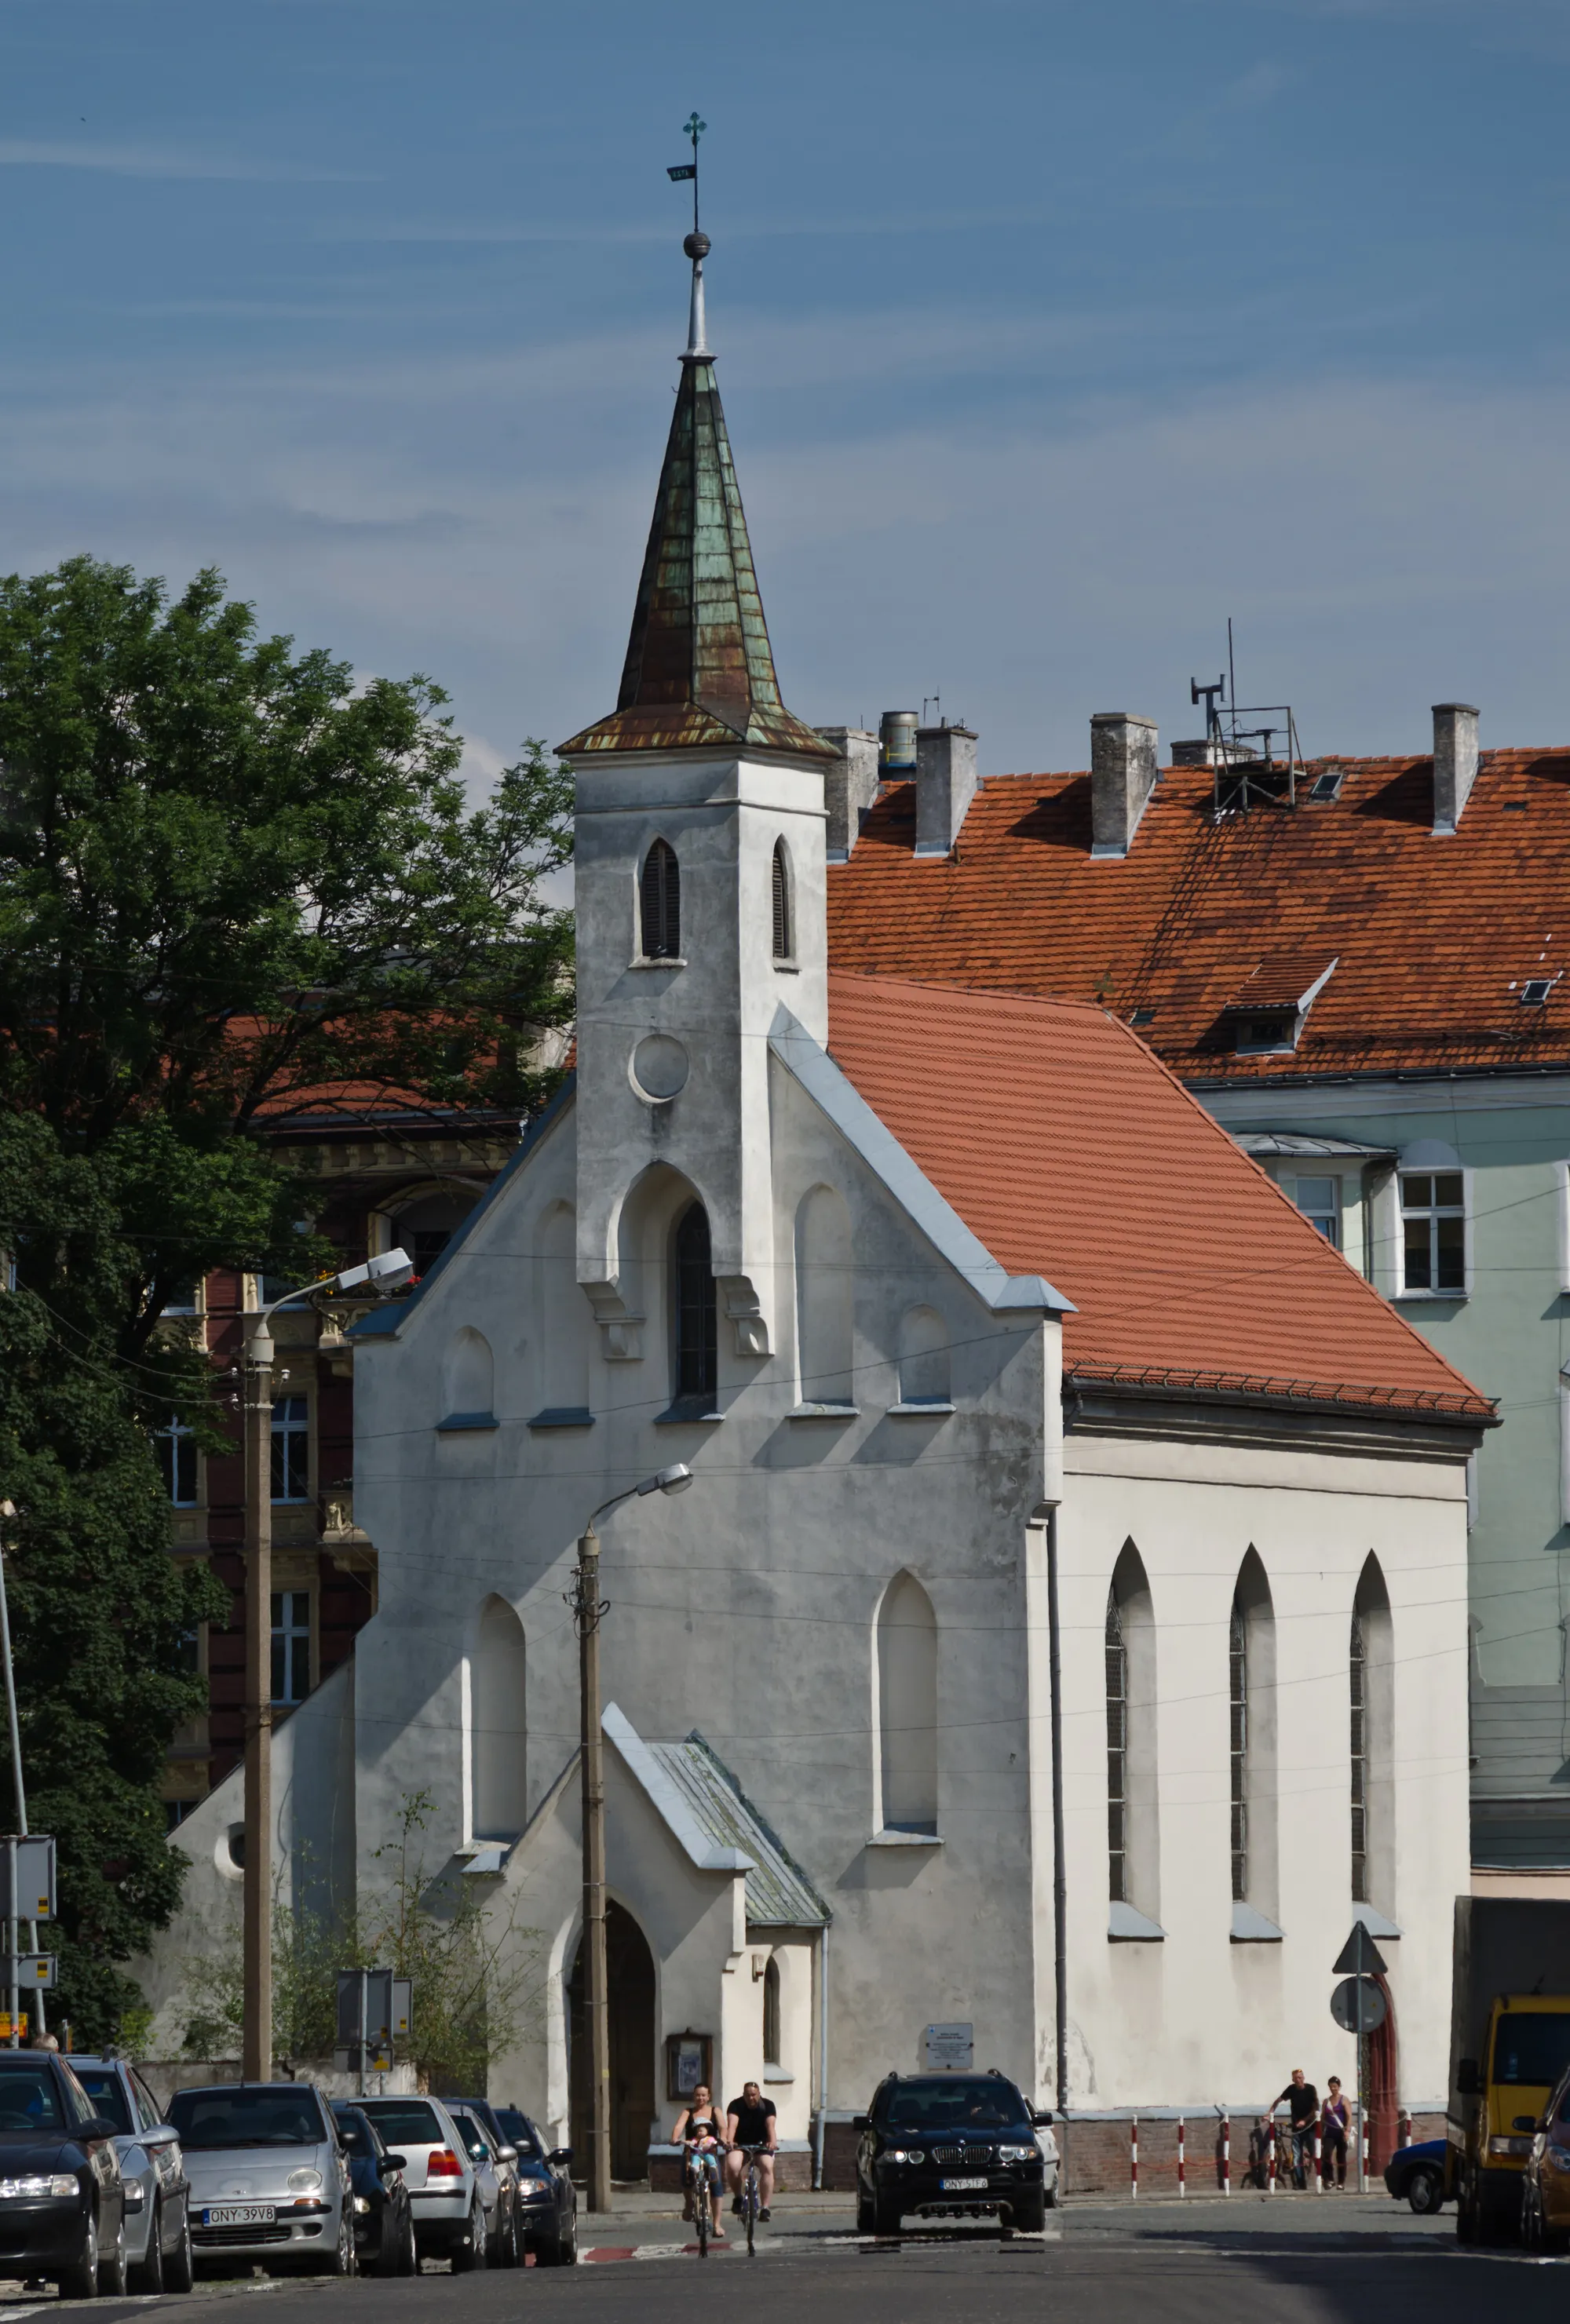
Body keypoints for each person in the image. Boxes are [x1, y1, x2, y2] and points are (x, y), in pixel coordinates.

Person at [671, 2083, 726, 2238]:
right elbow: (679, 2126)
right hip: (692, 2151)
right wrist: (675, 2138)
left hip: (710, 2152)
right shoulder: (688, 2112)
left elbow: (723, 2127)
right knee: (686, 2175)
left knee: (717, 2184)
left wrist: (723, 2138)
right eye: (697, 2095)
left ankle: (716, 2225)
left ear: (709, 2097)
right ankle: (689, 2203)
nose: (700, 2098)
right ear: (693, 2096)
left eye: (704, 2095)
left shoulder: (715, 2111)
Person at [725, 2081, 778, 2223]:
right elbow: (732, 2126)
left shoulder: (768, 2105)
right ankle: (738, 2197)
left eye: (754, 2095)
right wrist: (730, 2141)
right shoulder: (736, 2105)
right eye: (748, 2095)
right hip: (741, 2144)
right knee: (732, 2165)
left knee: (767, 2166)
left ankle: (765, 2208)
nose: (751, 2098)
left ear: (759, 2094)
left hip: (762, 2145)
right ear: (743, 2095)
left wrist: (772, 2142)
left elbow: (770, 2126)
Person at [1269, 2068, 1320, 2190]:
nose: (1299, 2080)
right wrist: (1270, 2112)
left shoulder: (1310, 2089)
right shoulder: (1291, 2089)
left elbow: (1316, 2108)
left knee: (1315, 2153)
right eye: (1296, 2078)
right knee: (1297, 2156)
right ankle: (1301, 2184)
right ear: (1293, 2079)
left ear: (1304, 2078)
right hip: (1297, 2129)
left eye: (1301, 2077)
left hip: (1310, 2127)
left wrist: (1305, 2120)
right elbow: (1279, 2100)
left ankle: (1324, 2177)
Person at [1320, 2077, 1349, 2190]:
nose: (1333, 2089)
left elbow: (1349, 2116)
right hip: (1330, 2133)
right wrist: (1321, 2132)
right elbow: (1323, 2117)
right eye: (1331, 2087)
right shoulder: (1326, 2102)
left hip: (1341, 2132)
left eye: (1335, 2086)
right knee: (1326, 2154)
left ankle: (1341, 2182)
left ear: (1339, 2087)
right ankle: (1330, 2179)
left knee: (1341, 2157)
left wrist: (1347, 2130)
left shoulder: (1344, 2100)